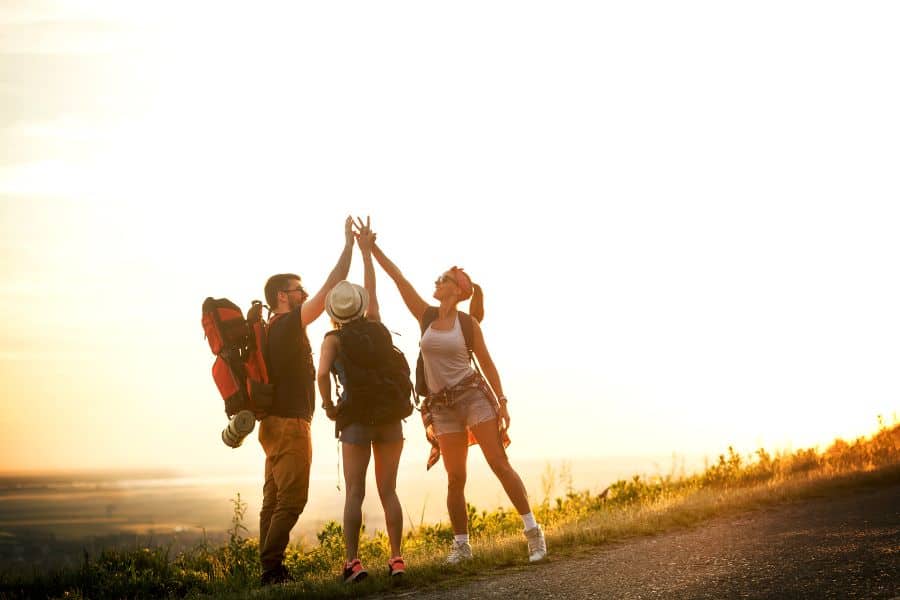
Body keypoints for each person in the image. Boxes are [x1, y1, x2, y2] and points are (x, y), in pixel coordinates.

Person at [369, 237, 548, 564]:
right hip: (441, 406)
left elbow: (488, 364)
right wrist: (371, 248)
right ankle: (462, 546)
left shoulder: (468, 324)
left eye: (442, 278)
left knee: (498, 463)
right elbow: (398, 278)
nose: (436, 282)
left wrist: (502, 401)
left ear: (456, 289)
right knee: (455, 477)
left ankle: (534, 534)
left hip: (472, 397)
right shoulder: (426, 315)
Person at [257, 217, 355, 586]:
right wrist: (347, 247)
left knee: (273, 498)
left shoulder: (269, 330)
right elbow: (332, 288)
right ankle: (271, 568)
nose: (304, 293)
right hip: (290, 425)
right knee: (292, 500)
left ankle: (270, 568)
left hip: (271, 427)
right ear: (283, 296)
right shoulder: (286, 325)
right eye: (298, 290)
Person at [317, 220, 407, 583]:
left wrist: (328, 407)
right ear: (360, 306)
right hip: (390, 417)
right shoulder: (376, 323)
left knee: (355, 491)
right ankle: (397, 558)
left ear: (334, 312)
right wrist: (366, 252)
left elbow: (321, 375)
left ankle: (353, 562)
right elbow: (371, 288)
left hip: (355, 418)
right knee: (389, 490)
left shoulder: (332, 340)